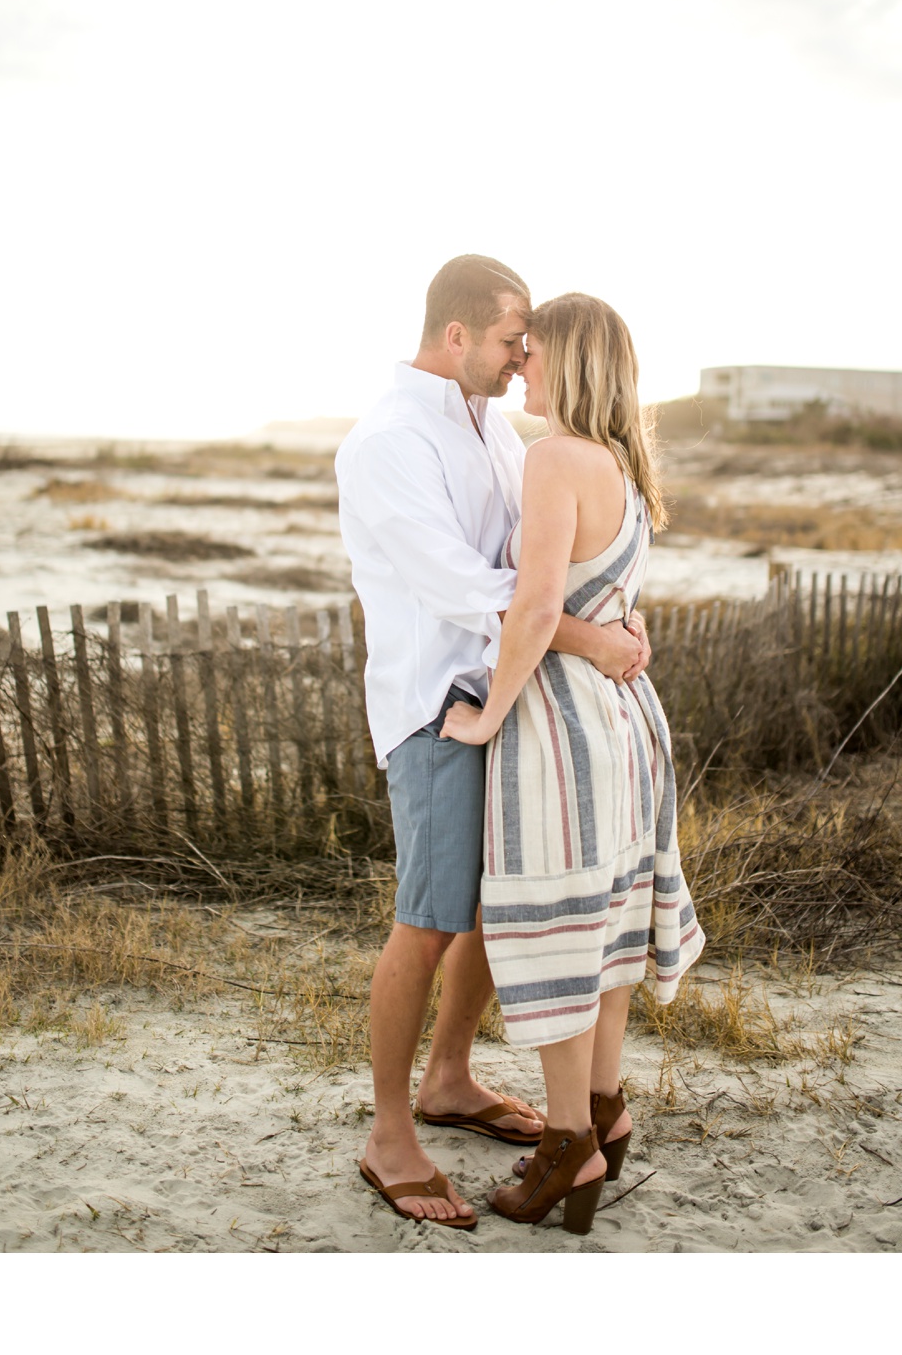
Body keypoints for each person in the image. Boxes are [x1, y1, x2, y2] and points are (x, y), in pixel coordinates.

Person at [338, 255, 652, 1229]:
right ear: (458, 334)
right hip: (440, 704)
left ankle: (450, 1078)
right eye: (515, 336)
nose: (525, 357)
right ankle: (390, 1132)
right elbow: (470, 589)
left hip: (506, 704)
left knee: (489, 907)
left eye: (533, 343)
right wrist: (593, 636)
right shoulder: (386, 441)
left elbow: (542, 560)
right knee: (428, 917)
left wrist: (600, 613)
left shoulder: (502, 432)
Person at [442, 292, 705, 1234]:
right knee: (605, 928)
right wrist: (615, 637)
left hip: (564, 730)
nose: (520, 366)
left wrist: (488, 717)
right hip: (628, 727)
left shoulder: (555, 457)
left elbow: (539, 610)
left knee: (556, 931)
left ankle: (567, 1145)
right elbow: (604, 606)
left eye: (534, 352)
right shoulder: (622, 467)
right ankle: (602, 1109)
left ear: (573, 361)